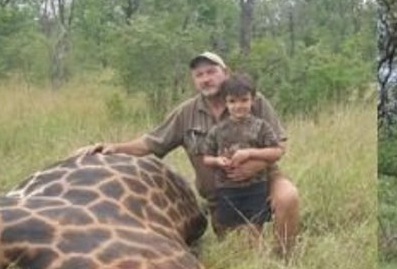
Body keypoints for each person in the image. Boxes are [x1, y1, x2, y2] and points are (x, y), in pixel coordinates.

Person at [81, 51, 301, 254]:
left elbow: (280, 146)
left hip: (264, 179)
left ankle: (284, 259)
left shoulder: (253, 100)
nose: (206, 79)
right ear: (194, 80)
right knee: (242, 252)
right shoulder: (186, 112)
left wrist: (257, 163)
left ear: (226, 73)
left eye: (212, 72)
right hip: (221, 194)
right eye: (199, 75)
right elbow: (151, 143)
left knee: (288, 197)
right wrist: (114, 148)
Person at [201, 73, 283, 235]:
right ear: (225, 102)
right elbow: (206, 158)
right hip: (227, 189)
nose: (239, 106)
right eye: (232, 101)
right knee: (231, 232)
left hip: (255, 187)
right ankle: (237, 258)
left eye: (244, 100)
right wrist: (218, 161)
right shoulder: (217, 131)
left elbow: (276, 151)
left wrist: (250, 153)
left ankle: (257, 258)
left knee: (255, 228)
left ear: (253, 100)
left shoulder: (261, 127)